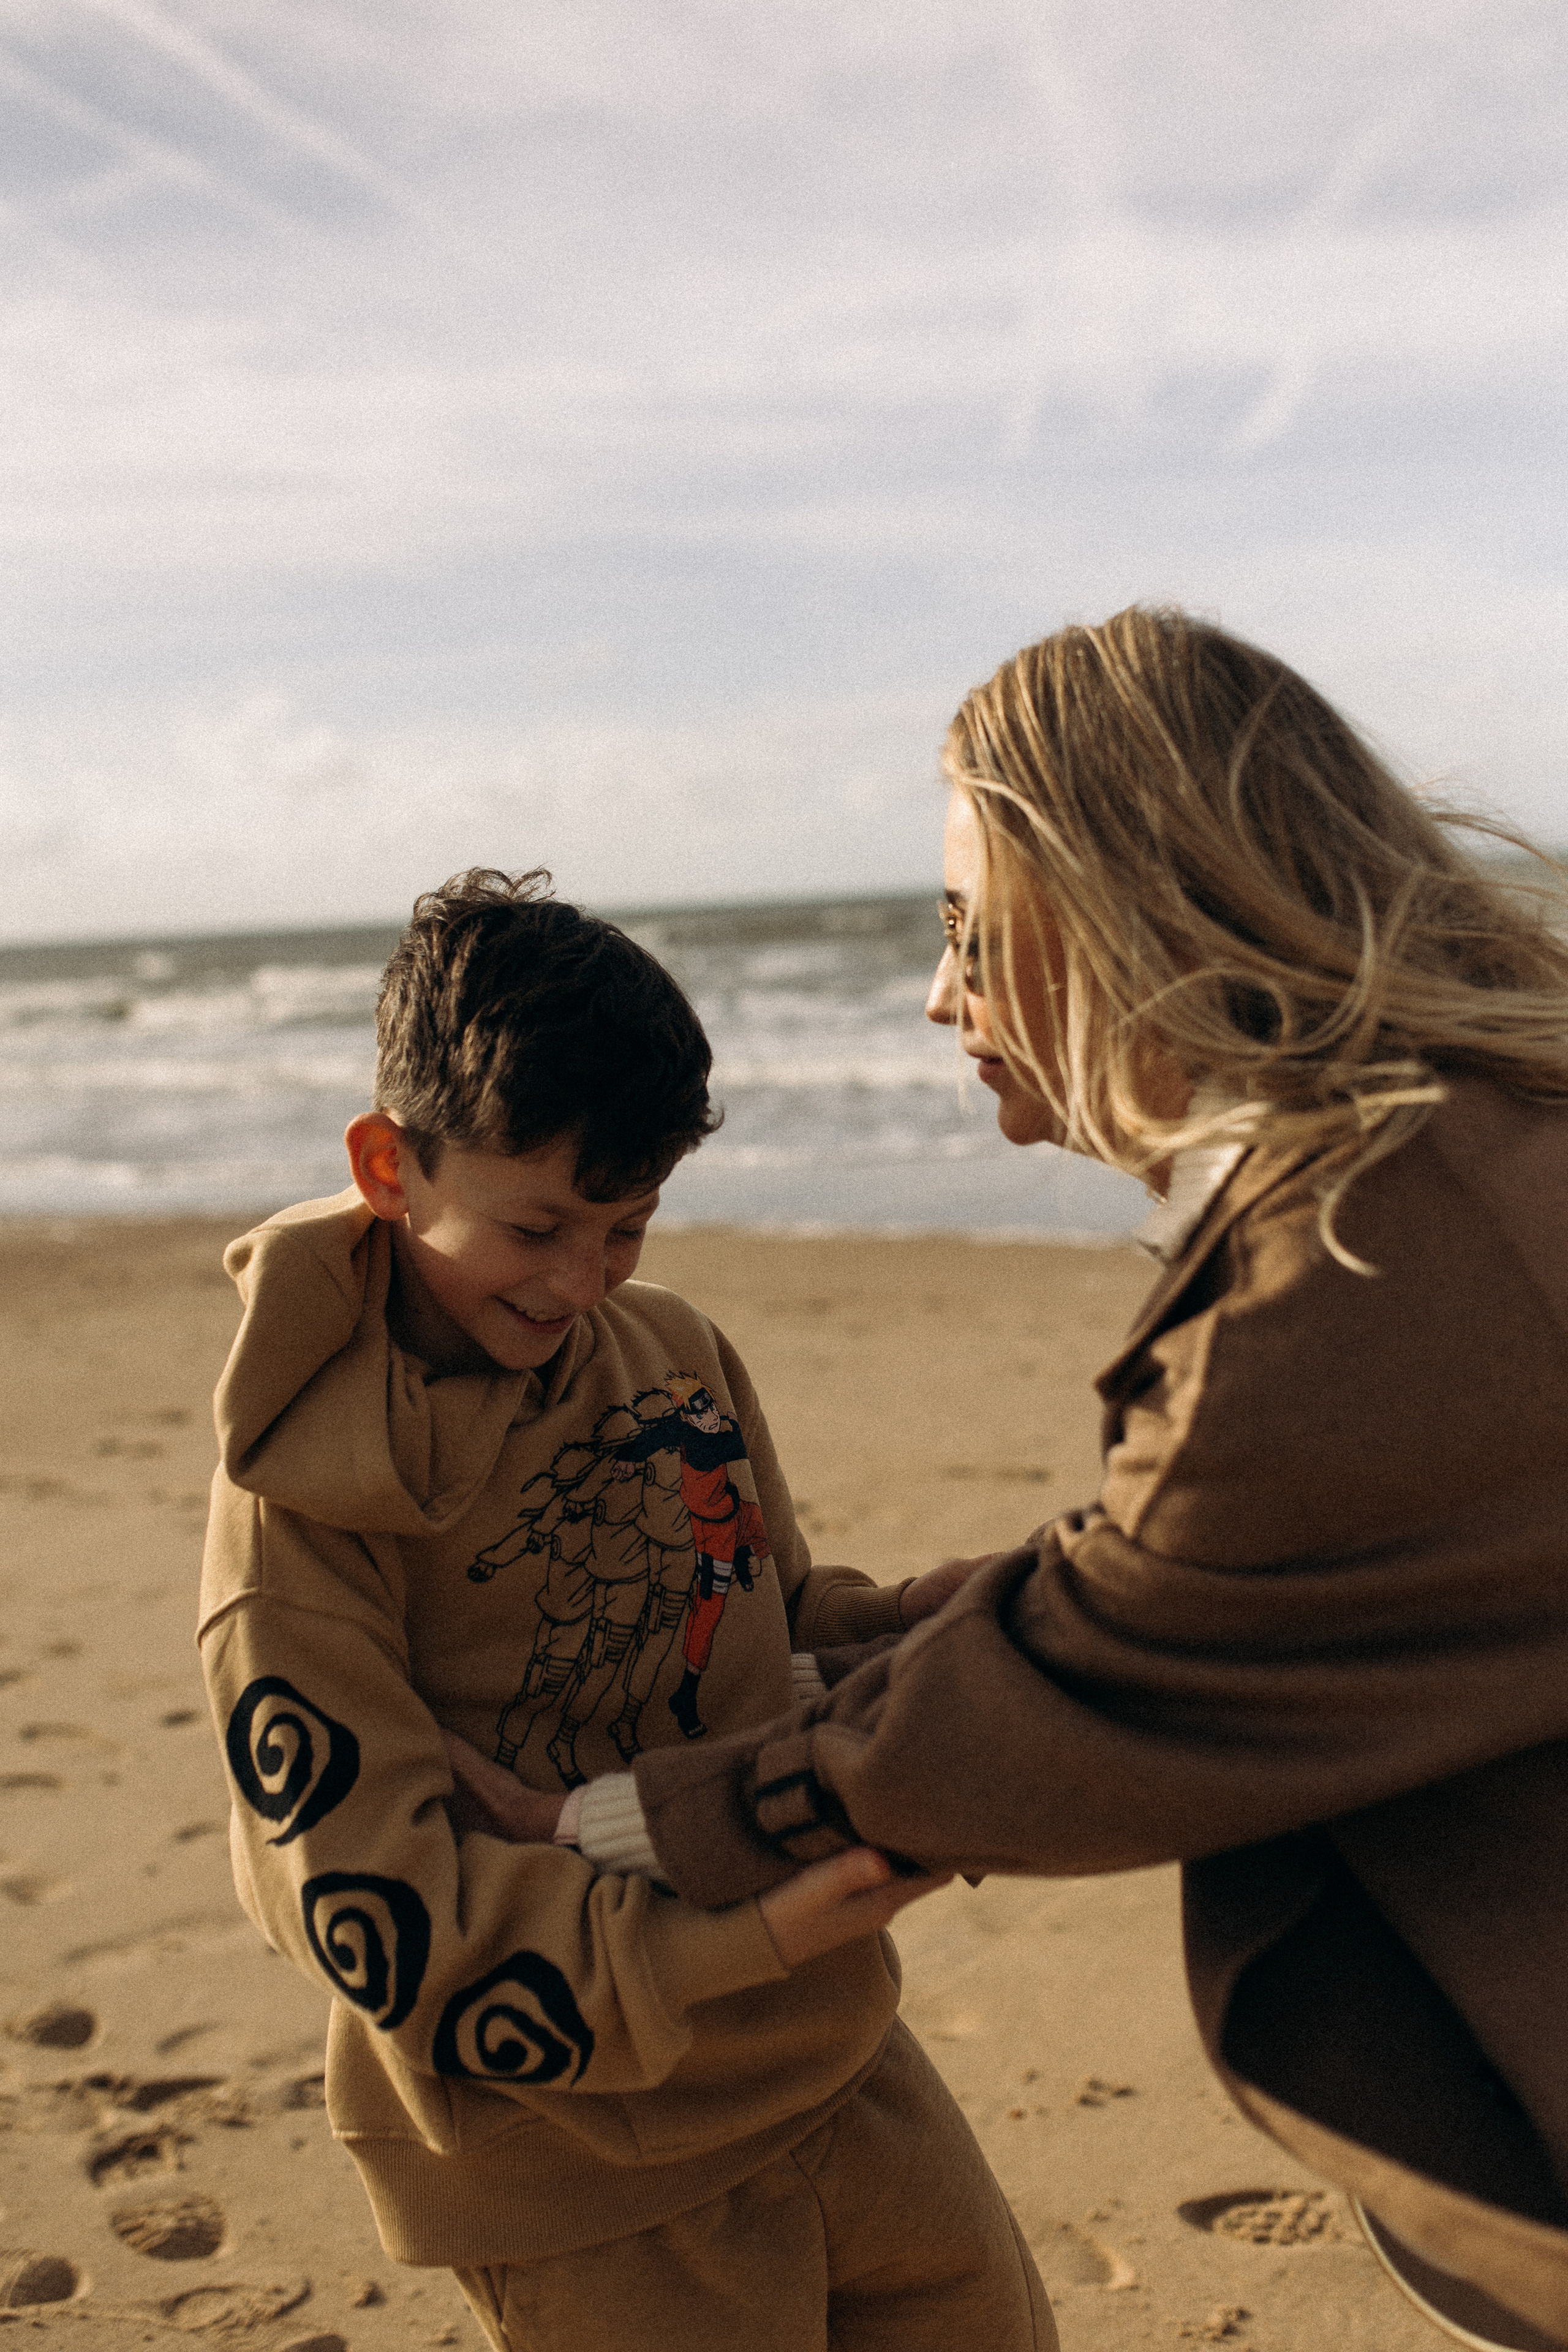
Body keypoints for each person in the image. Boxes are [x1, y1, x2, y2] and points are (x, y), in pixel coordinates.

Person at [462, 612, 1568, 2349]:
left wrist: (617, 1816)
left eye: (972, 929)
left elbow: (1086, 1681)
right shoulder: (1463, 1149)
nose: (937, 992)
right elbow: (1175, 1591)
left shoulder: (1350, 1267)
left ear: (1124, 901)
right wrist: (843, 1649)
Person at [197, 869, 1051, 2352]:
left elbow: (766, 1631)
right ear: (391, 1165)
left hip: (842, 2063)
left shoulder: (667, 1347)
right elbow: (376, 1916)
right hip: (578, 2173)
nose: (586, 1283)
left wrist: (927, 1619)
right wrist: (757, 1935)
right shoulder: (302, 1515)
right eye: (538, 1231)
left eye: (630, 1227)